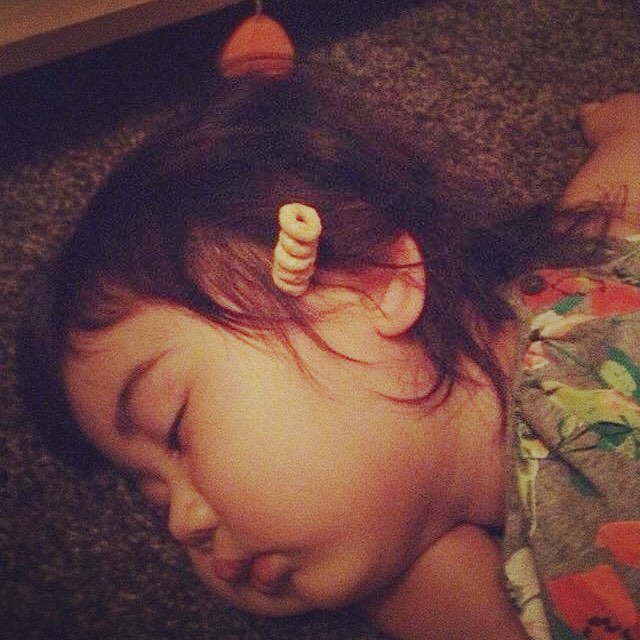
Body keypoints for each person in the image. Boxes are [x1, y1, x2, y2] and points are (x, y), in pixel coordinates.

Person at [17, 60, 640, 640]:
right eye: (154, 499)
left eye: (175, 429)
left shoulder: (600, 514)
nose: (184, 523)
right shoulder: (561, 294)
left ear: (373, 285)